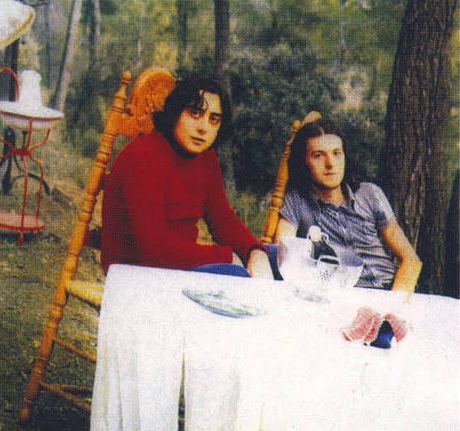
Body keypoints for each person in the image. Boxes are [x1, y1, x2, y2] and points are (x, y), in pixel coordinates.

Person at [100, 74, 273, 279]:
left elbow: (223, 220)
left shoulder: (206, 159)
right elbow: (152, 250)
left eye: (214, 119)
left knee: (274, 256)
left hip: (178, 270)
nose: (203, 128)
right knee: (236, 275)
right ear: (176, 113)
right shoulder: (143, 155)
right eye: (195, 113)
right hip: (133, 275)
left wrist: (254, 251)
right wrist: (227, 257)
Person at [274, 117, 422, 292]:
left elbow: (411, 260)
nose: (330, 164)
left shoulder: (370, 194)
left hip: (393, 290)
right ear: (304, 162)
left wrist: (395, 302)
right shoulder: (297, 201)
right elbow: (283, 257)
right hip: (342, 296)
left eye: (336, 153)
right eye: (318, 155)